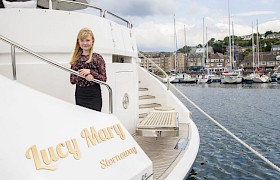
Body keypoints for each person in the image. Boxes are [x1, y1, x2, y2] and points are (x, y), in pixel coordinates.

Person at [70, 28, 107, 111]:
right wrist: (81, 76)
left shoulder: (98, 58)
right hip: (80, 94)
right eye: (82, 40)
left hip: (94, 95)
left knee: (95, 119)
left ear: (92, 41)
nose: (85, 43)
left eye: (87, 40)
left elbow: (104, 79)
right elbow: (72, 80)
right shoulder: (76, 59)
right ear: (78, 42)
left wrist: (91, 73)